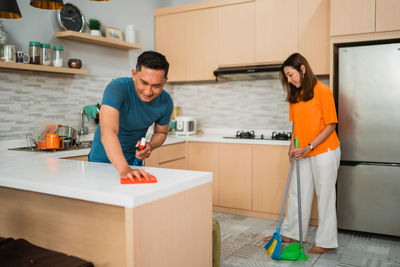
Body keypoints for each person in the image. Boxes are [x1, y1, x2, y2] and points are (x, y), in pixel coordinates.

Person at [264, 53, 341, 254]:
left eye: (291, 75)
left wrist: (309, 147)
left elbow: (330, 125)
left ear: (302, 69)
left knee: (325, 195)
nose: (289, 80)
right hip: (302, 150)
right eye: (287, 77)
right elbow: (296, 124)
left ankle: (325, 241)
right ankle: (292, 232)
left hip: (325, 150)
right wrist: (292, 146)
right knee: (298, 192)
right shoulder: (295, 95)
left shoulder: (322, 91)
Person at [88, 51, 173, 179]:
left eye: (156, 86)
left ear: (165, 81)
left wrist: (150, 145)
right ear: (134, 74)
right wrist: (124, 169)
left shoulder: (166, 101)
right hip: (101, 162)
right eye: (144, 83)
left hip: (135, 164)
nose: (148, 91)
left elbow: (161, 133)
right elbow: (108, 132)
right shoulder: (117, 88)